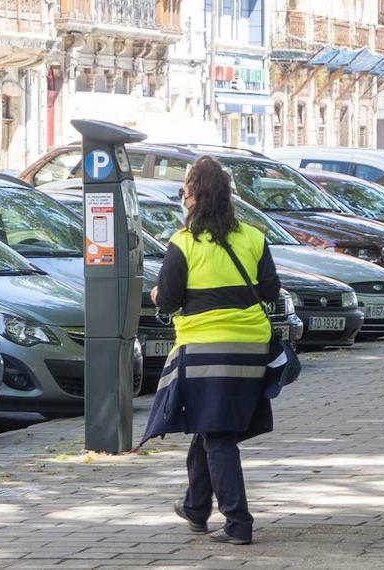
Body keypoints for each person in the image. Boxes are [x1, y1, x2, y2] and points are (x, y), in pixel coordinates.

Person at [142, 155, 280, 546]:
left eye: (185, 191)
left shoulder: (184, 243)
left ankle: (238, 523)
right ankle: (196, 507)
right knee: (209, 427)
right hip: (251, 348)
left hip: (204, 350)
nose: (183, 198)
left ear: (194, 197)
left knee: (217, 435)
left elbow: (167, 301)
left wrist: (157, 295)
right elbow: (270, 290)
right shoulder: (253, 237)